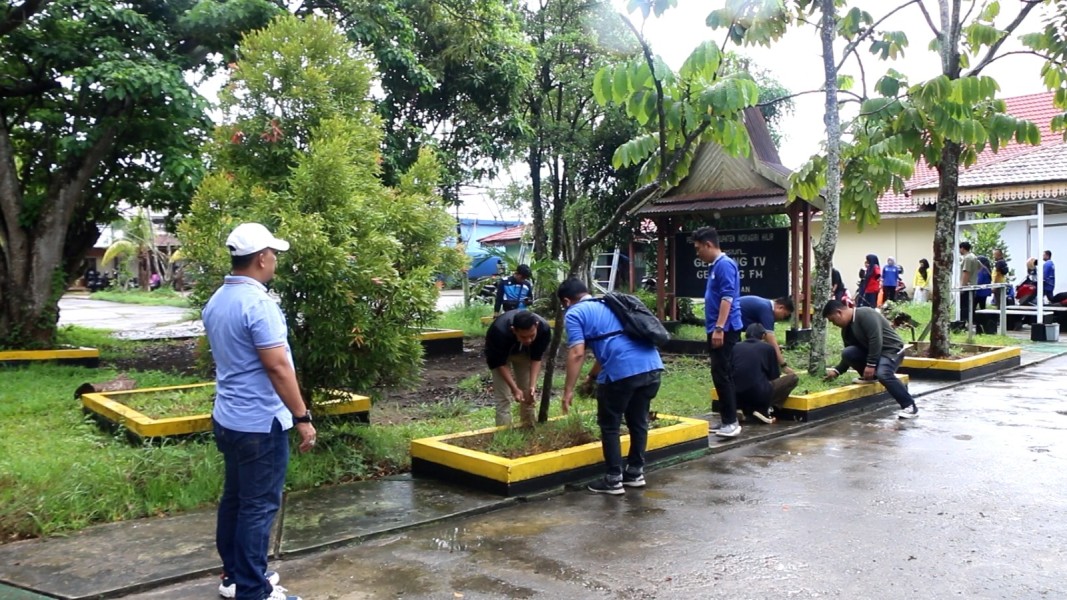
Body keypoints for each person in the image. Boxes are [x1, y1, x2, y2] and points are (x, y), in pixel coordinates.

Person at [203, 223, 313, 600]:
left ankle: (235, 576)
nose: (275, 260)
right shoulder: (259, 304)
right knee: (258, 506)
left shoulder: (218, 299)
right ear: (262, 257)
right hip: (259, 424)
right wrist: (302, 417)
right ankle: (253, 590)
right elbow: (278, 367)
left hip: (228, 419)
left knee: (235, 499)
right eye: (274, 254)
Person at [558, 278, 664, 495]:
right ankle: (635, 473)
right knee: (638, 421)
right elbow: (610, 344)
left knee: (610, 425)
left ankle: (613, 479)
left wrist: (568, 390)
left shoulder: (574, 313)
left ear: (567, 300)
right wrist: (592, 376)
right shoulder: (610, 304)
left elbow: (577, 353)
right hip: (652, 366)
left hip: (622, 373)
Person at [822, 299, 919, 419]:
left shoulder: (865, 314)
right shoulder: (846, 329)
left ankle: (909, 406)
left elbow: (876, 340)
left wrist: (871, 364)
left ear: (839, 312)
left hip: (892, 350)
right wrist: (837, 371)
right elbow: (849, 354)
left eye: (832, 320)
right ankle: (871, 377)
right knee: (848, 352)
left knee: (884, 374)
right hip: (875, 353)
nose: (833, 324)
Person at [693, 227, 744, 438]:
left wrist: (720, 328)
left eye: (698, 249)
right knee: (720, 373)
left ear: (708, 245)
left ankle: (731, 422)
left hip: (725, 328)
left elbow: (727, 298)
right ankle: (727, 419)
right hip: (718, 327)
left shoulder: (724, 265)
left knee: (721, 373)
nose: (697, 253)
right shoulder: (716, 266)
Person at [484, 309, 550, 427]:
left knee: (527, 393)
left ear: (536, 325)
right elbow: (499, 363)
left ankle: (529, 427)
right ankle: (504, 433)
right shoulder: (499, 331)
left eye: (532, 335)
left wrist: (532, 386)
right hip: (500, 358)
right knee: (503, 396)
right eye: (523, 337)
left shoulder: (544, 329)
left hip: (524, 354)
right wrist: (514, 388)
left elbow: (536, 358)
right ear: (514, 330)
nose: (528, 340)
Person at [732, 323, 799, 424]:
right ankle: (765, 409)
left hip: (736, 395)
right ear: (763, 336)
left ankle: (740, 409)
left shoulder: (735, 347)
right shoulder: (768, 348)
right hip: (759, 393)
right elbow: (774, 375)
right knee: (793, 378)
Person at [737, 295, 794, 368]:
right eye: (784, 315)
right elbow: (770, 338)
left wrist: (773, 346)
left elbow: (764, 337)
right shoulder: (766, 310)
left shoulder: (766, 305)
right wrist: (783, 365)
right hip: (730, 324)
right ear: (781, 307)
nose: (782, 318)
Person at [959, 242, 980, 322]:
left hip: (967, 285)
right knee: (970, 305)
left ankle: (964, 322)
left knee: (964, 306)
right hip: (973, 284)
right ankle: (970, 321)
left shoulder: (967, 258)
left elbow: (966, 272)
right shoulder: (974, 257)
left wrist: (962, 286)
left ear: (962, 248)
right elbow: (980, 266)